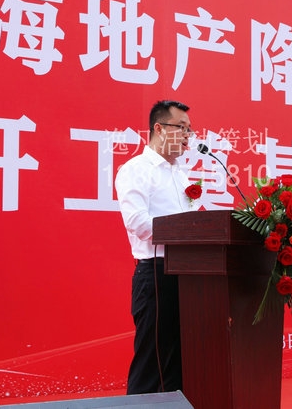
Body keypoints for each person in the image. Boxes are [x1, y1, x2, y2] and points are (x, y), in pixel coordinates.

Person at [114, 99, 198, 394]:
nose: (187, 135)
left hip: (187, 275)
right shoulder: (136, 170)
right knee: (153, 362)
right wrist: (185, 231)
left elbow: (196, 222)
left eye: (190, 129)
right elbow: (137, 222)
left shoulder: (180, 175)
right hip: (157, 275)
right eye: (181, 128)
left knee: (179, 366)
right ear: (159, 129)